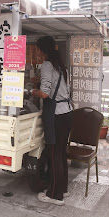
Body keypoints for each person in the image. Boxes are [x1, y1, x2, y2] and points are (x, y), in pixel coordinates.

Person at [30, 36, 73, 206]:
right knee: (61, 152)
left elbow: (45, 93)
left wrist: (32, 91)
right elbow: (58, 86)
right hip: (67, 112)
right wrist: (39, 81)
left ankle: (54, 195)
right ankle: (62, 188)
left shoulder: (47, 65)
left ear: (42, 50)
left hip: (56, 114)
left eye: (38, 50)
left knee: (54, 153)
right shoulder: (61, 65)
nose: (37, 53)